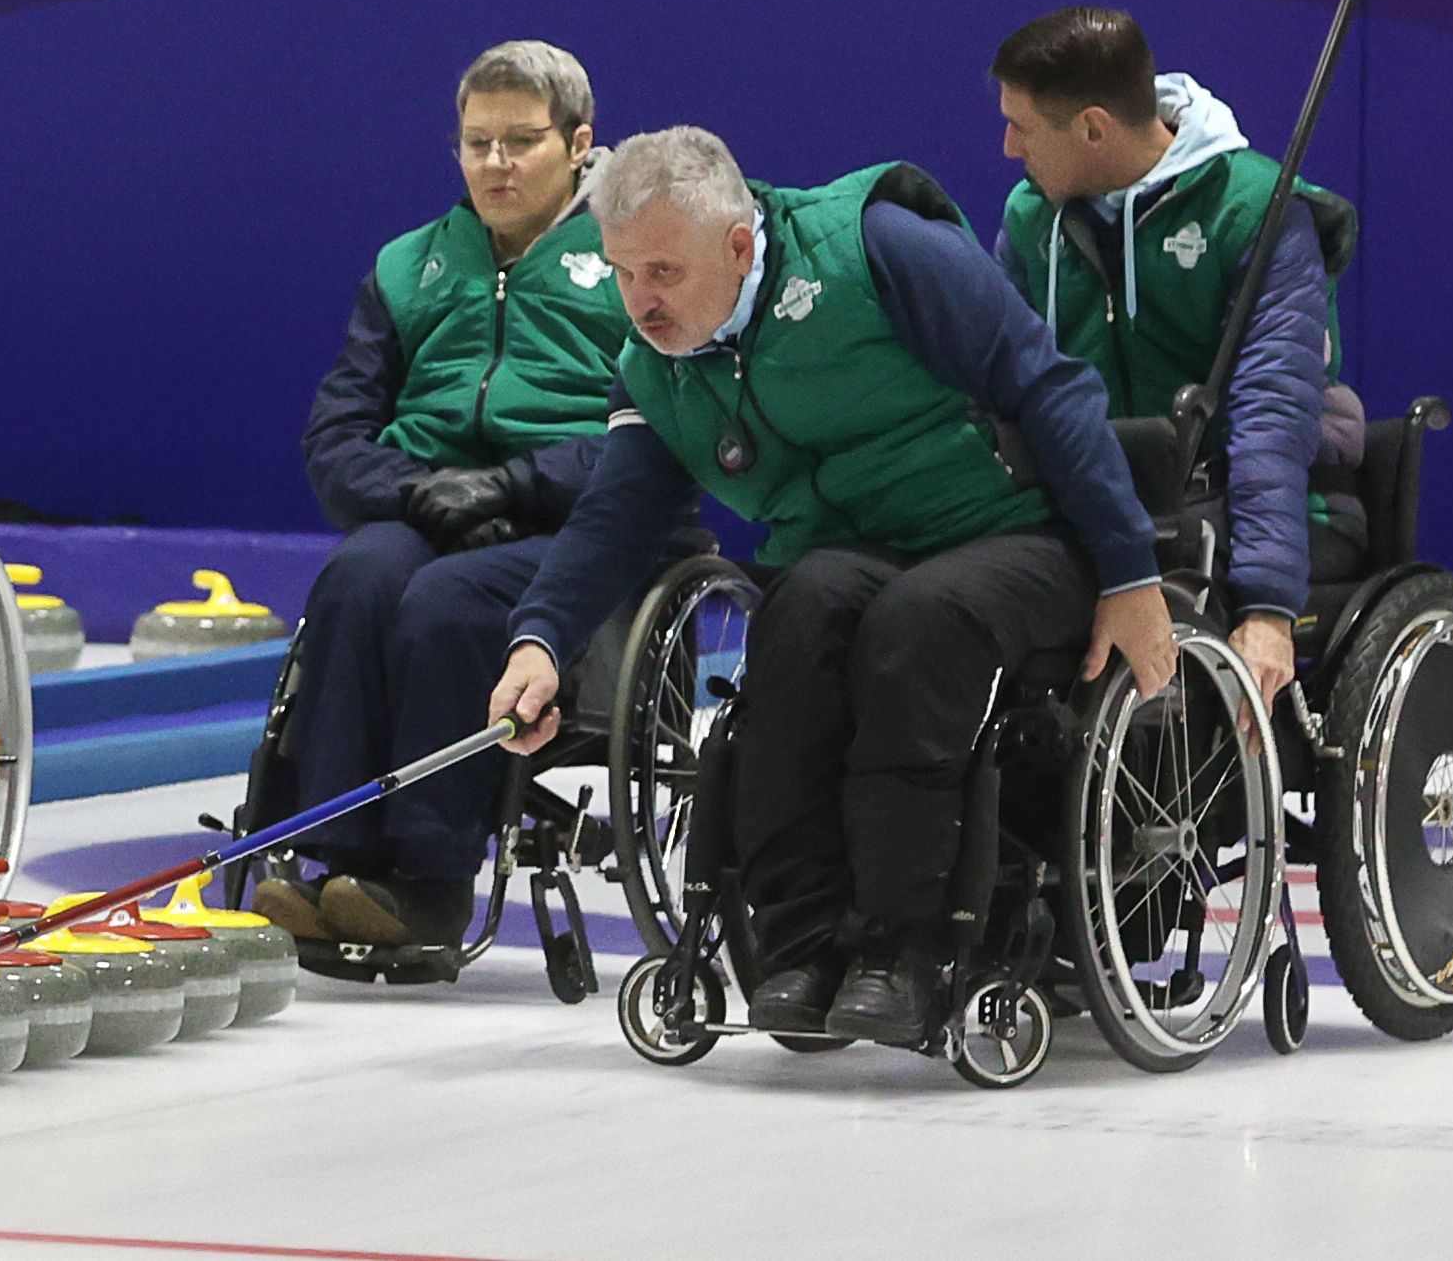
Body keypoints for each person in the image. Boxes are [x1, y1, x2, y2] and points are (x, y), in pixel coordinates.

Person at [486, 127, 1175, 1045]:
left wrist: (1130, 570)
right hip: (856, 549)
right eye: (621, 273)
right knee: (798, 613)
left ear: (737, 246)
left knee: (915, 623)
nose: (639, 303)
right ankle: (802, 946)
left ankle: (902, 947)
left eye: (661, 272)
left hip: (1017, 531)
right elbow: (615, 518)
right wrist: (538, 641)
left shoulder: (878, 247)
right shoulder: (658, 361)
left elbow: (1051, 389)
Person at [251, 41, 631, 950]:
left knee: (445, 602)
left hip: (579, 520)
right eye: (476, 143)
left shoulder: (635, 253)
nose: (495, 164)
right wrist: (416, 493)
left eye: (522, 142)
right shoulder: (408, 264)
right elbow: (334, 435)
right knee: (358, 577)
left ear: (580, 143)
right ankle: (327, 856)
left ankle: (427, 879)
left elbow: (660, 429)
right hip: (434, 506)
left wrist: (516, 482)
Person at [991, 6, 1365, 717]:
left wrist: (1265, 602)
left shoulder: (1256, 210)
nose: (1009, 148)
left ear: (1092, 128)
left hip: (1264, 507)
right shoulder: (1031, 218)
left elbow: (1270, 418)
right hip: (1107, 505)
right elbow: (990, 386)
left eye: (1022, 127)